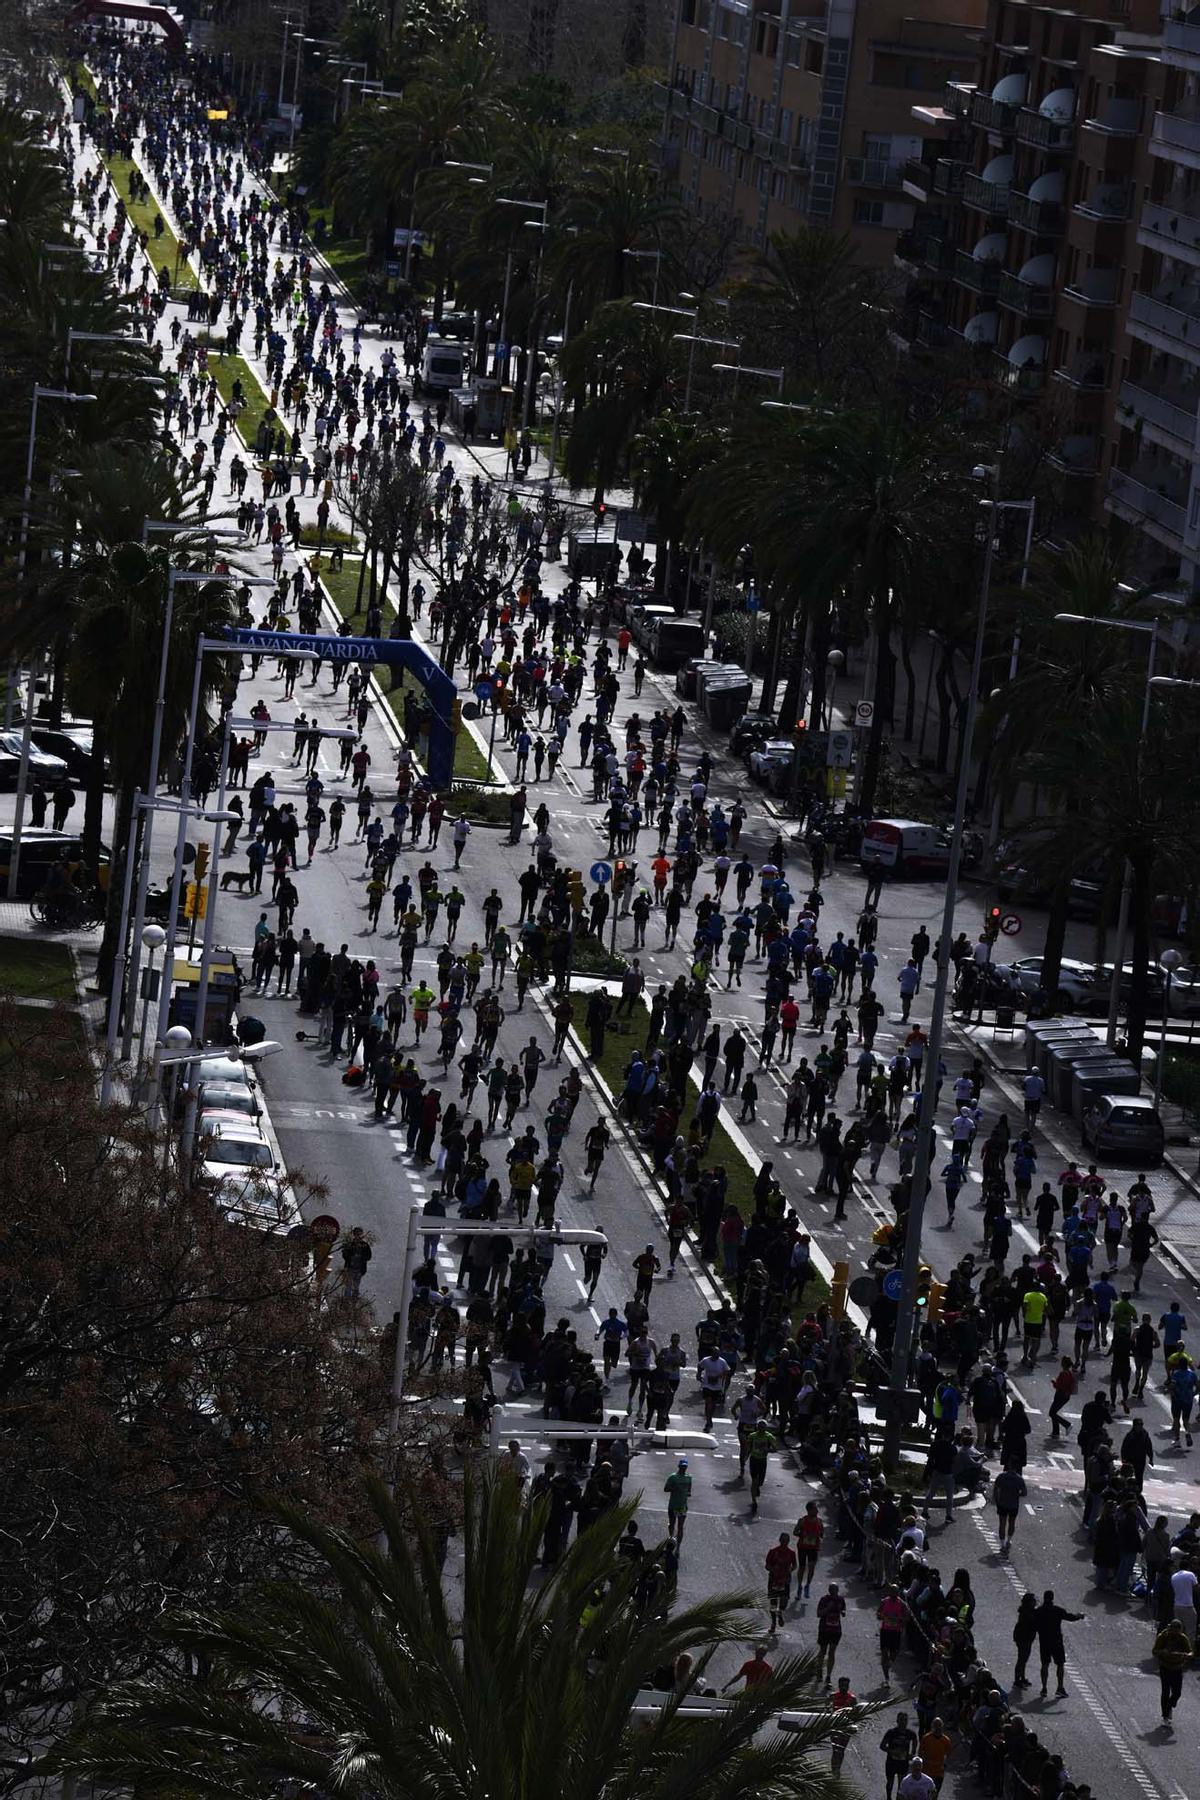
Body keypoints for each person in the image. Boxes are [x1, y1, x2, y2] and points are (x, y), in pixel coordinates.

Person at [1035, 1590, 1082, 1697]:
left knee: (1045, 1664)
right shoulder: (1058, 1610)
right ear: (1052, 1598)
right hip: (1056, 1640)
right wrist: (1079, 1616)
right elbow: (1070, 1617)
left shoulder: (1039, 1611)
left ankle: (1044, 1688)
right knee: (1060, 1664)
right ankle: (1060, 1687)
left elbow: (1034, 1624)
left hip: (1044, 1640)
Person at [1152, 1616, 1192, 1728]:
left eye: (1177, 1631)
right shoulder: (1163, 1636)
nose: (1174, 1633)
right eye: (1173, 1630)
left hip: (1177, 1668)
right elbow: (1154, 1651)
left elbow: (1190, 1651)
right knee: (1165, 1691)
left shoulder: (1183, 1638)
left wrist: (1186, 1655)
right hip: (1165, 1667)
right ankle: (1165, 1716)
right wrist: (1162, 1652)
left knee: (1177, 1693)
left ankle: (1169, 1707)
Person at [880, 1711, 917, 1800]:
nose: (903, 1722)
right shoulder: (891, 1732)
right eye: (901, 1720)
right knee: (890, 1782)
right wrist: (892, 1751)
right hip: (891, 1762)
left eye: (905, 1720)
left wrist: (912, 1754)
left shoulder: (910, 1733)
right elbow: (882, 1746)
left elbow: (915, 1741)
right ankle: (889, 1798)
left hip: (903, 1763)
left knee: (902, 1783)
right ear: (897, 1720)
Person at [765, 1533, 797, 1630]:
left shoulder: (791, 1553)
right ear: (780, 1540)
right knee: (773, 1603)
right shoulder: (773, 1552)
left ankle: (780, 1613)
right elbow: (767, 1565)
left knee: (784, 1601)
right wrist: (773, 1570)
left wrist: (790, 1570)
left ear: (788, 1542)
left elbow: (795, 1565)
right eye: (783, 1540)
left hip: (785, 1580)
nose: (784, 1543)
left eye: (786, 1541)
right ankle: (774, 1622)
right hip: (774, 1580)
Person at [992, 1462, 1027, 1550]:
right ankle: (1008, 1541)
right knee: (1012, 1523)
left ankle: (1002, 1544)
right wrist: (1016, 1494)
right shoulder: (1019, 1479)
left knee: (1002, 1523)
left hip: (1002, 1503)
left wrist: (996, 1500)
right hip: (1013, 1504)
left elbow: (996, 1489)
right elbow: (1024, 1493)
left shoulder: (1001, 1476)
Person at [664, 1457, 692, 1543]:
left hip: (682, 1506)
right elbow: (665, 1489)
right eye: (682, 1466)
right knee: (672, 1523)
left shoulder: (689, 1478)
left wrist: (686, 1494)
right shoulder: (673, 1477)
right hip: (673, 1505)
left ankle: (678, 1545)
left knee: (680, 1526)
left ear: (686, 1467)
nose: (683, 1468)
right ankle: (671, 1538)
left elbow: (689, 1491)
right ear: (679, 1466)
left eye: (685, 1467)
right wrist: (674, 1488)